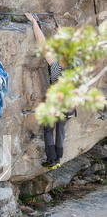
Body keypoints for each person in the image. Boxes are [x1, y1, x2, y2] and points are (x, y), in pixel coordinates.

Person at [25, 12, 71, 170]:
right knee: (60, 130)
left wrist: (34, 23)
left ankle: (51, 159)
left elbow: (42, 43)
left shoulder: (56, 66)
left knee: (48, 129)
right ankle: (58, 159)